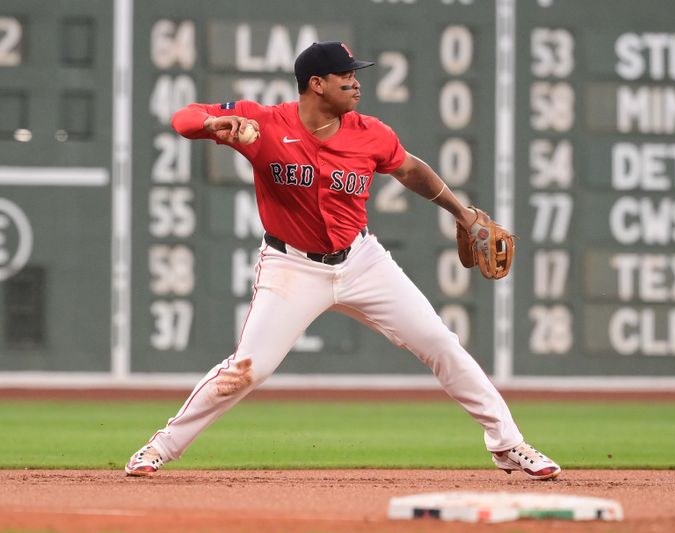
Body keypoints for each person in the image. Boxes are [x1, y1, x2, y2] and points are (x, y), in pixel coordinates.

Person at [125, 41, 560, 480]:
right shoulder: (265, 122)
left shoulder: (370, 132)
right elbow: (184, 118)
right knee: (247, 370)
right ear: (316, 84)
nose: (356, 83)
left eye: (356, 74)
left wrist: (463, 213)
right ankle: (159, 448)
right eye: (345, 76)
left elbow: (410, 169)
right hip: (292, 266)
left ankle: (508, 444)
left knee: (440, 343)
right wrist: (216, 121)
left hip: (361, 261)